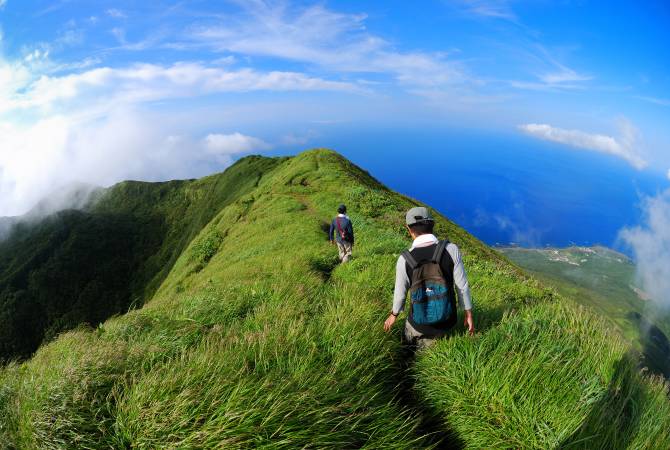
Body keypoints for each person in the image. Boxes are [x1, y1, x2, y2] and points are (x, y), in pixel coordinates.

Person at [383, 206, 474, 349]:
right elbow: (462, 286)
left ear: (409, 229)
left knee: (409, 348)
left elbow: (400, 294)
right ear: (432, 225)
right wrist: (468, 312)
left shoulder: (404, 259)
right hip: (446, 323)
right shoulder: (451, 250)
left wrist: (394, 314)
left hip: (418, 325)